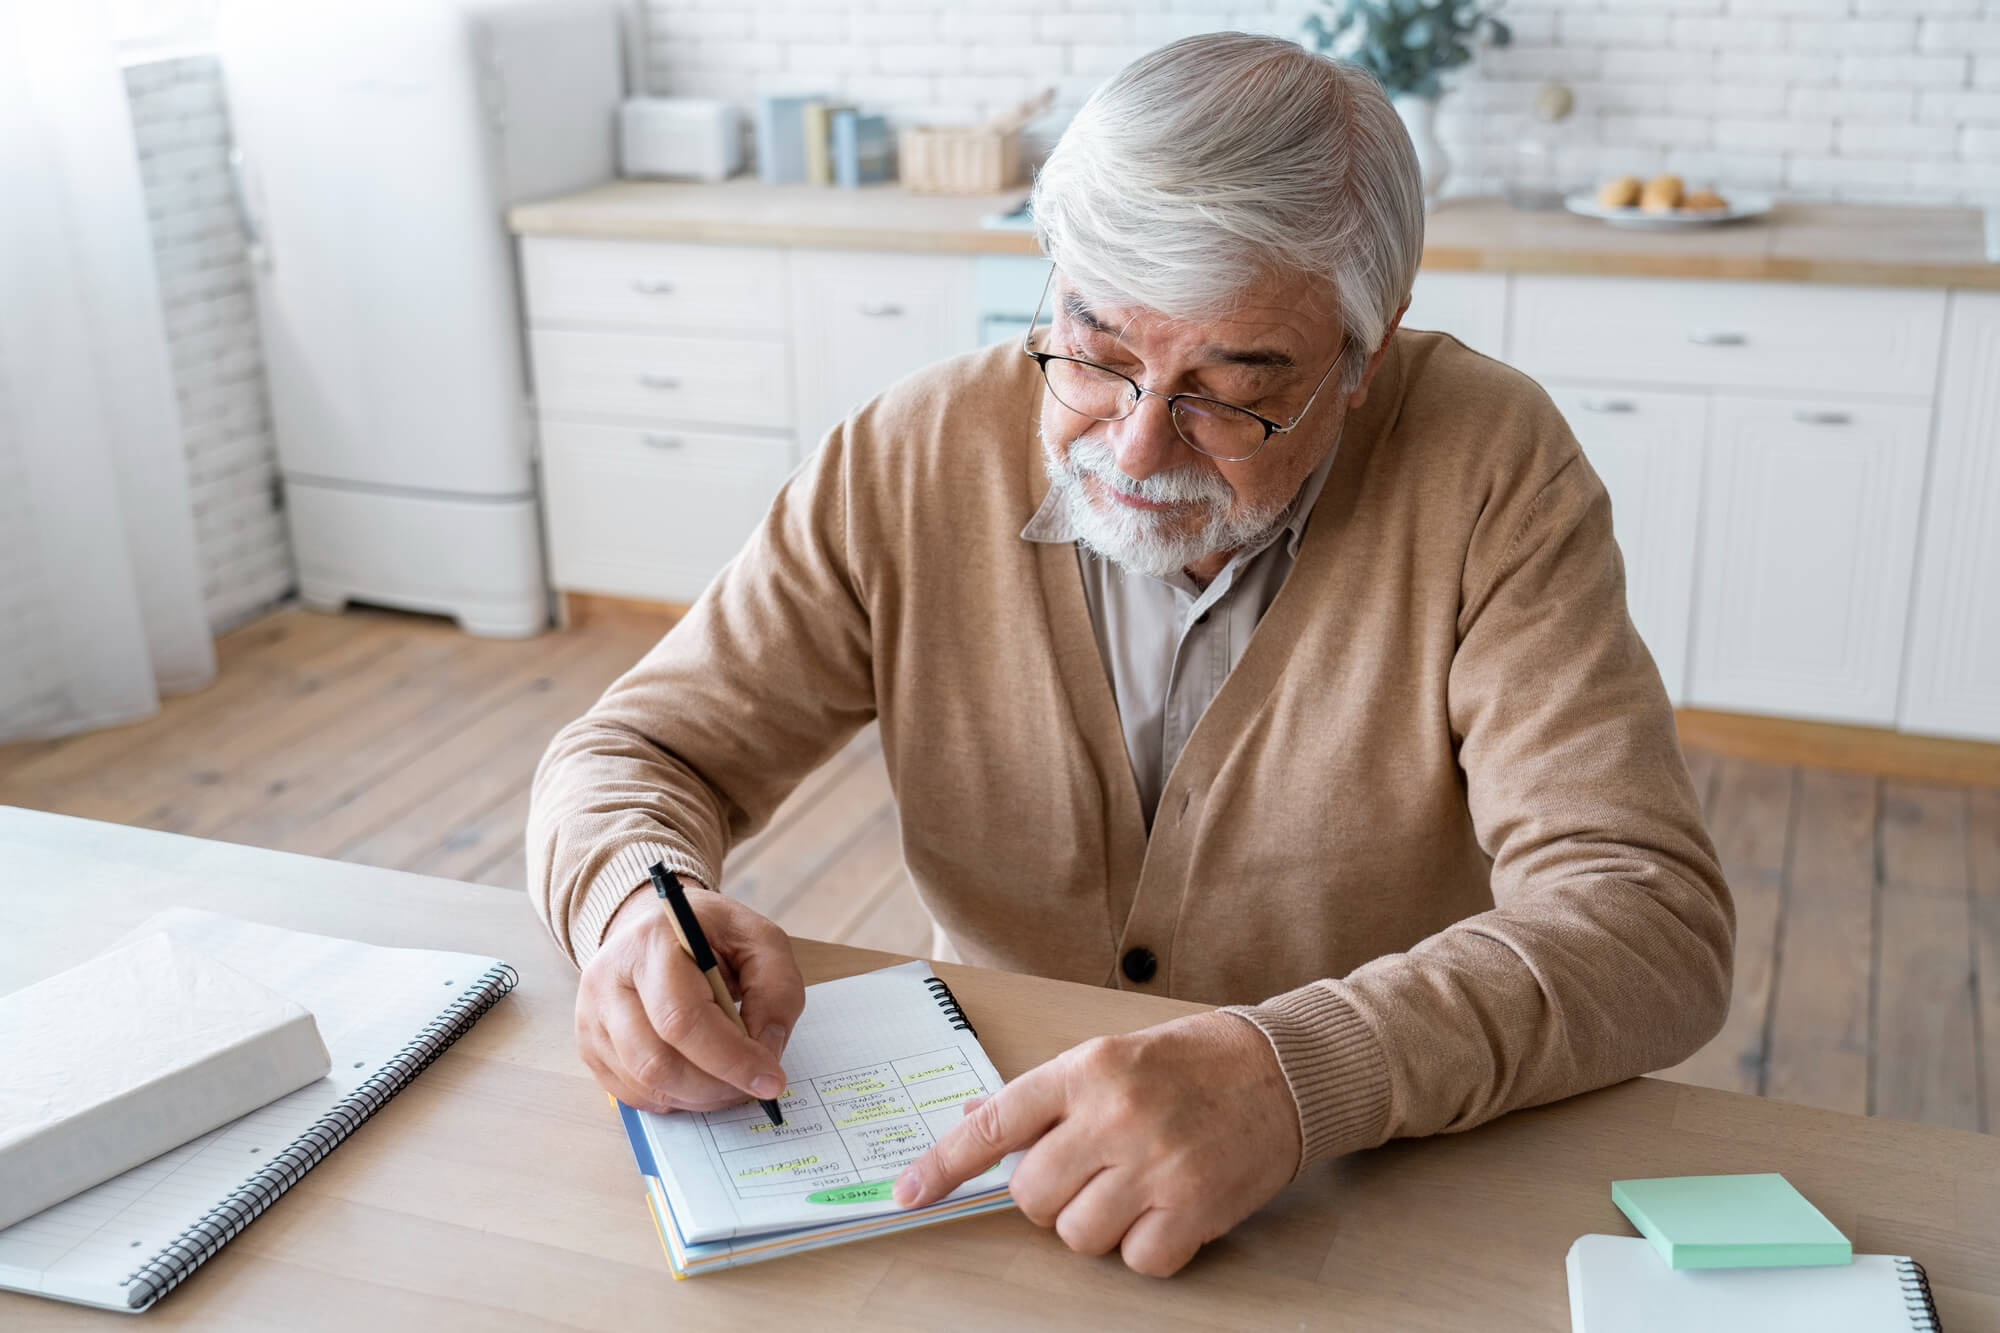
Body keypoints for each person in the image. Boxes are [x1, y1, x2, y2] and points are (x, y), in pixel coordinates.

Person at [527, 33, 1733, 1279]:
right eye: (1097, 356)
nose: (1140, 448)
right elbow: (634, 750)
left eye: (1228, 390)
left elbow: (1645, 920)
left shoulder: (1490, 468)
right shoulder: (908, 452)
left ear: (1365, 352)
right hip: (987, 1181)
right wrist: (631, 904)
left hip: (1352, 1187)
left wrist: (1293, 1073)